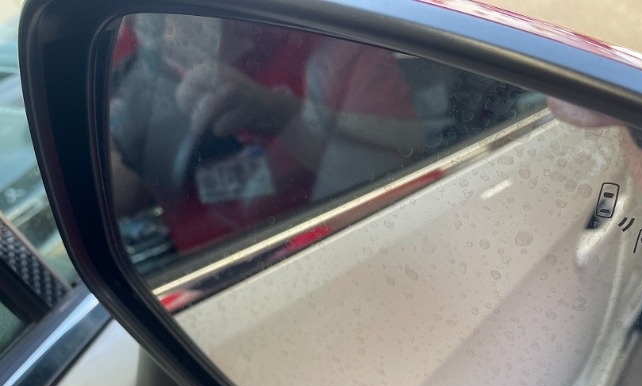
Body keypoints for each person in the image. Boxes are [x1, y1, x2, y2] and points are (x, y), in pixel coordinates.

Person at [110, 15, 422, 254]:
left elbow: (392, 181)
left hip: (320, 255)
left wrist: (282, 116)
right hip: (193, 279)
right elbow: (118, 197)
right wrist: (133, 144)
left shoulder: (336, 33)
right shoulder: (126, 44)